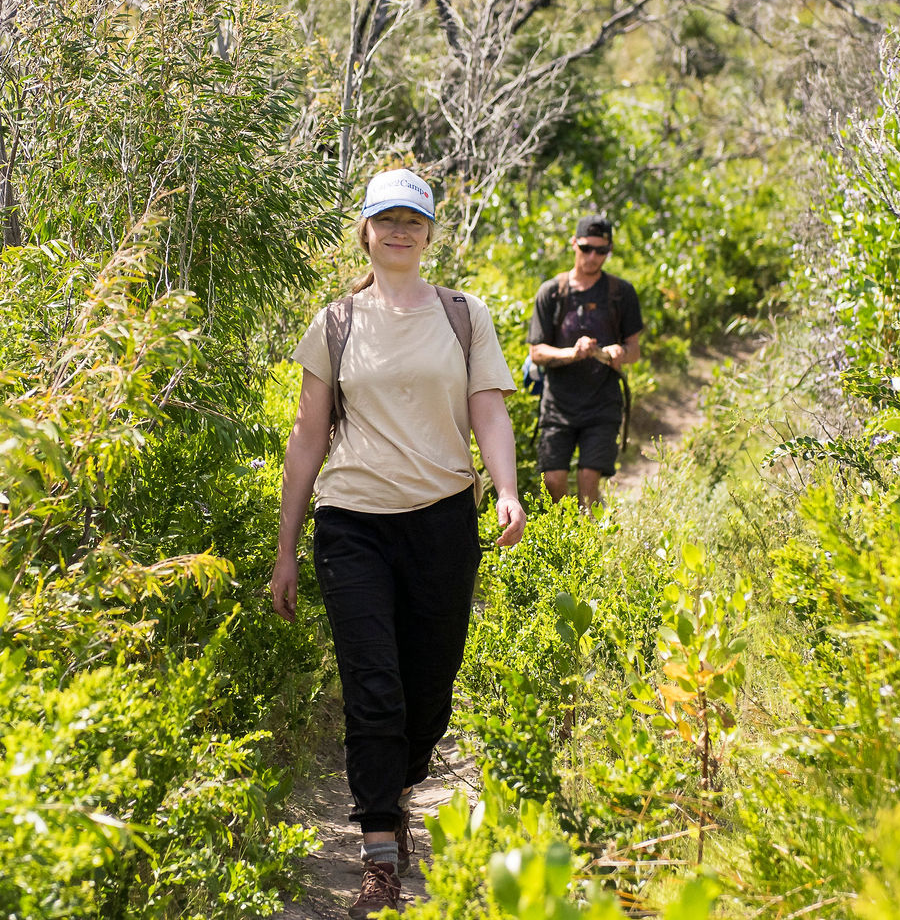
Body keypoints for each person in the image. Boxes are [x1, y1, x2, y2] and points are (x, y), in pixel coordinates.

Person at [270, 167, 525, 918]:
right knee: (374, 689)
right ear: (367, 230)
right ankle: (380, 851)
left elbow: (490, 411)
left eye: (413, 219)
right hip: (351, 521)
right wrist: (287, 545)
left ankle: (398, 785)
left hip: (443, 520)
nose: (400, 230)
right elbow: (307, 435)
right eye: (387, 219)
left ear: (429, 231)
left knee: (428, 690)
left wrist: (505, 488)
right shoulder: (336, 322)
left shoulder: (463, 314)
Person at [526, 216, 644, 510]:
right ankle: (566, 544)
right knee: (553, 481)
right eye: (587, 248)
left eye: (601, 251)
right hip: (559, 404)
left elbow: (635, 350)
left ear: (609, 251)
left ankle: (591, 544)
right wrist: (573, 353)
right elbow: (536, 352)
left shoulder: (621, 292)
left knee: (589, 482)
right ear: (574, 245)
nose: (593, 257)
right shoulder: (551, 292)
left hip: (603, 402)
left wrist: (619, 352)